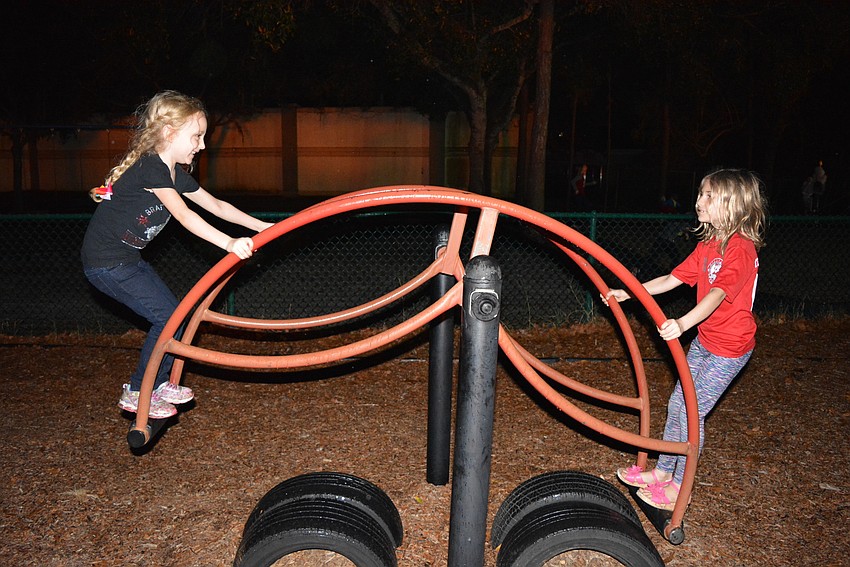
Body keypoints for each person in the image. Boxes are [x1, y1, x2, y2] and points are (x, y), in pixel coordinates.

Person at [81, 90, 274, 419]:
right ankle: (138, 391)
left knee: (176, 317)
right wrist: (228, 243)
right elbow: (185, 216)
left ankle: (157, 384)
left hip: (127, 261)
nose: (202, 145)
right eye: (197, 136)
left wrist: (263, 227)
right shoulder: (151, 168)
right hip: (107, 264)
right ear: (169, 132)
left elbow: (217, 206)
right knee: (167, 318)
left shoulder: (173, 174)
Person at [602, 168, 767, 511]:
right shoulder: (708, 245)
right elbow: (671, 278)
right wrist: (628, 292)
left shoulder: (740, 248)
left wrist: (683, 323)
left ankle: (681, 487)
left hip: (730, 348)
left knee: (693, 412)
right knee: (678, 403)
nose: (699, 201)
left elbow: (718, 294)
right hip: (706, 341)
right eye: (701, 194)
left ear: (732, 204)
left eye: (709, 196)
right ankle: (664, 472)